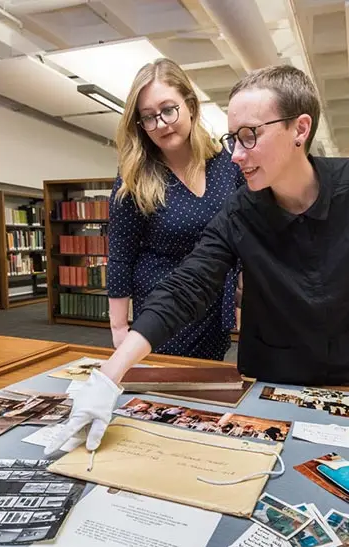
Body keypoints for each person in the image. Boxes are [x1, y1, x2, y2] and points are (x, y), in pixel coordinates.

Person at [44, 64, 349, 456]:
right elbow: (188, 285)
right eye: (232, 139)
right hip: (274, 371)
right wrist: (109, 374)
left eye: (249, 136)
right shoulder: (240, 210)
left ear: (299, 128)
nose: (235, 155)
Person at [107, 58, 243, 361]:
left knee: (206, 395)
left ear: (191, 105)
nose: (161, 124)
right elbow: (120, 255)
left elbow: (242, 234)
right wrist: (119, 327)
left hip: (212, 311)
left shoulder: (227, 164)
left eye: (169, 110)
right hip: (162, 313)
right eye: (148, 117)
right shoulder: (135, 177)